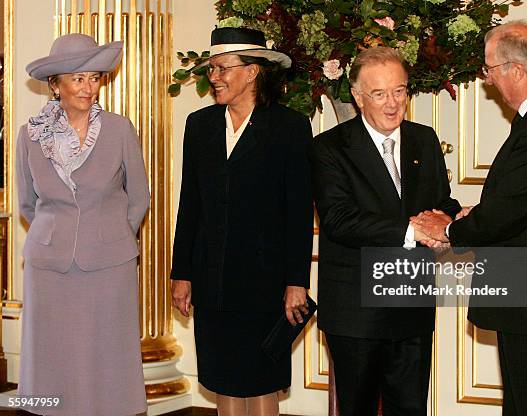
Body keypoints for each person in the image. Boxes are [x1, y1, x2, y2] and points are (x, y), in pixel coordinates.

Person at [411, 21, 527, 416]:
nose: (489, 79)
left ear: (515, 70)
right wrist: (475, 214)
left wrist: (447, 228)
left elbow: (513, 210)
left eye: (490, 69)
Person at [309, 47, 460, 416]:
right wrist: (414, 230)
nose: (393, 104)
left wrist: (450, 224)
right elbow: (339, 219)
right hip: (357, 312)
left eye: (400, 91)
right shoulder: (329, 148)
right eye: (379, 94)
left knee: (410, 408)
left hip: (412, 304)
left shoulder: (424, 140)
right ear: (359, 98)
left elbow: (442, 201)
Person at [170, 27, 313, 416]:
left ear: (252, 72)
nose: (213, 77)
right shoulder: (199, 127)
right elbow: (190, 204)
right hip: (212, 279)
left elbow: (299, 213)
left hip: (266, 283)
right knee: (224, 380)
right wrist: (181, 272)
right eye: (211, 69)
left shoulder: (290, 128)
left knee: (261, 380)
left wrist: (296, 283)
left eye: (221, 68)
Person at [17, 34, 150, 415]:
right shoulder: (30, 134)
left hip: (110, 264)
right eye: (77, 79)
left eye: (94, 78)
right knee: (51, 356)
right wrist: (56, 234)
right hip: (49, 265)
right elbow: (28, 202)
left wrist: (109, 235)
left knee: (108, 356)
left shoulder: (120, 128)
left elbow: (138, 196)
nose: (88, 88)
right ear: (55, 84)